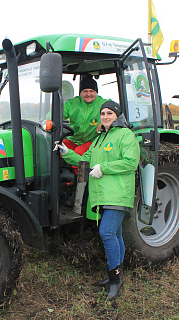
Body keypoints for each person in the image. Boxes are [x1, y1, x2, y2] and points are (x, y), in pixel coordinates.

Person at [56, 101, 140, 300]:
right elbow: (85, 163)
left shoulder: (125, 135)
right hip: (102, 195)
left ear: (117, 115)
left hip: (118, 193)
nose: (105, 116)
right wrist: (67, 154)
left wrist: (104, 168)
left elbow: (130, 162)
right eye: (102, 113)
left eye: (109, 113)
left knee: (107, 232)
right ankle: (116, 276)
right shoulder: (99, 139)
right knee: (116, 234)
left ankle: (114, 280)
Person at [63, 76, 109, 157]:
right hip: (75, 139)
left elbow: (117, 114)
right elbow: (54, 114)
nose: (88, 94)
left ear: (96, 92)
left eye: (91, 91)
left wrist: (105, 122)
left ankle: (79, 170)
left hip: (94, 141)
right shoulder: (72, 103)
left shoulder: (104, 104)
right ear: (80, 92)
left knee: (78, 153)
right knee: (59, 148)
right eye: (85, 91)